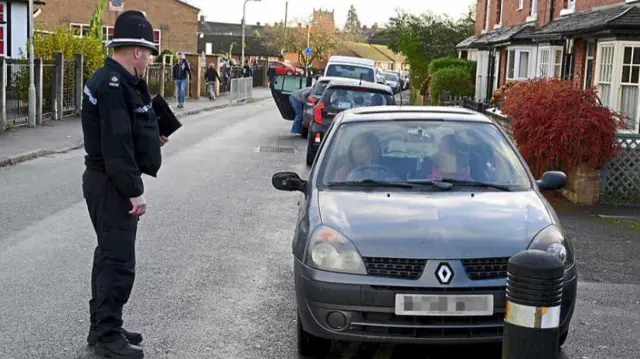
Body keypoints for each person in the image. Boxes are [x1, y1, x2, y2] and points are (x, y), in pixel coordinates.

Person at [81, 10, 167, 359]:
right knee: (118, 262)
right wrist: (135, 191)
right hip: (111, 184)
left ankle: (103, 324)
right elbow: (116, 146)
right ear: (136, 51)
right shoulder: (115, 85)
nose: (148, 60)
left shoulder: (112, 79)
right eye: (148, 53)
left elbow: (124, 132)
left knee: (107, 256)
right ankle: (107, 337)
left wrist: (150, 137)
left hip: (104, 181)